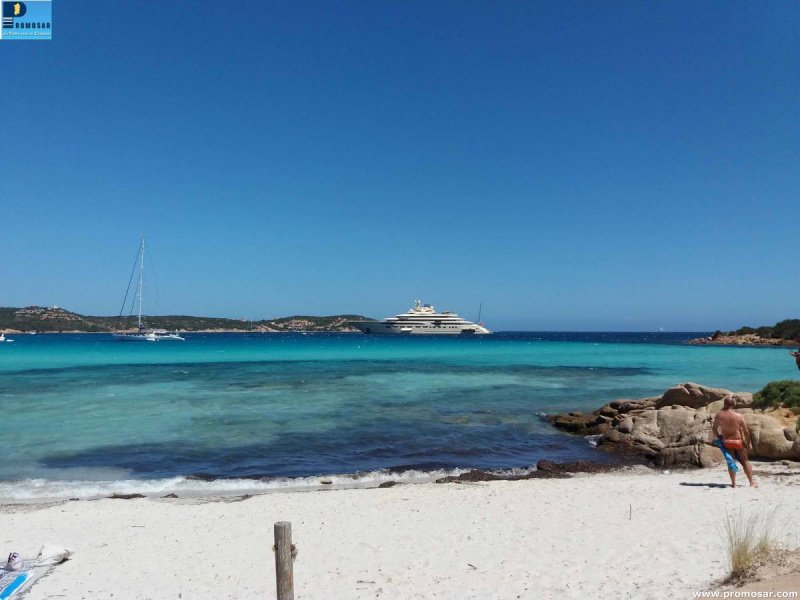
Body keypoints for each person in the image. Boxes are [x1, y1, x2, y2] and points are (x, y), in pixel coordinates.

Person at [712, 396, 757, 488]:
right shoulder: (739, 416)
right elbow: (746, 431)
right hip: (738, 441)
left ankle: (734, 484)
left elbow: (714, 429)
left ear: (724, 404)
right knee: (745, 461)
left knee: (731, 462)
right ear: (733, 404)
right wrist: (747, 442)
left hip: (727, 442)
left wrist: (719, 437)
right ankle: (751, 483)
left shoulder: (719, 415)